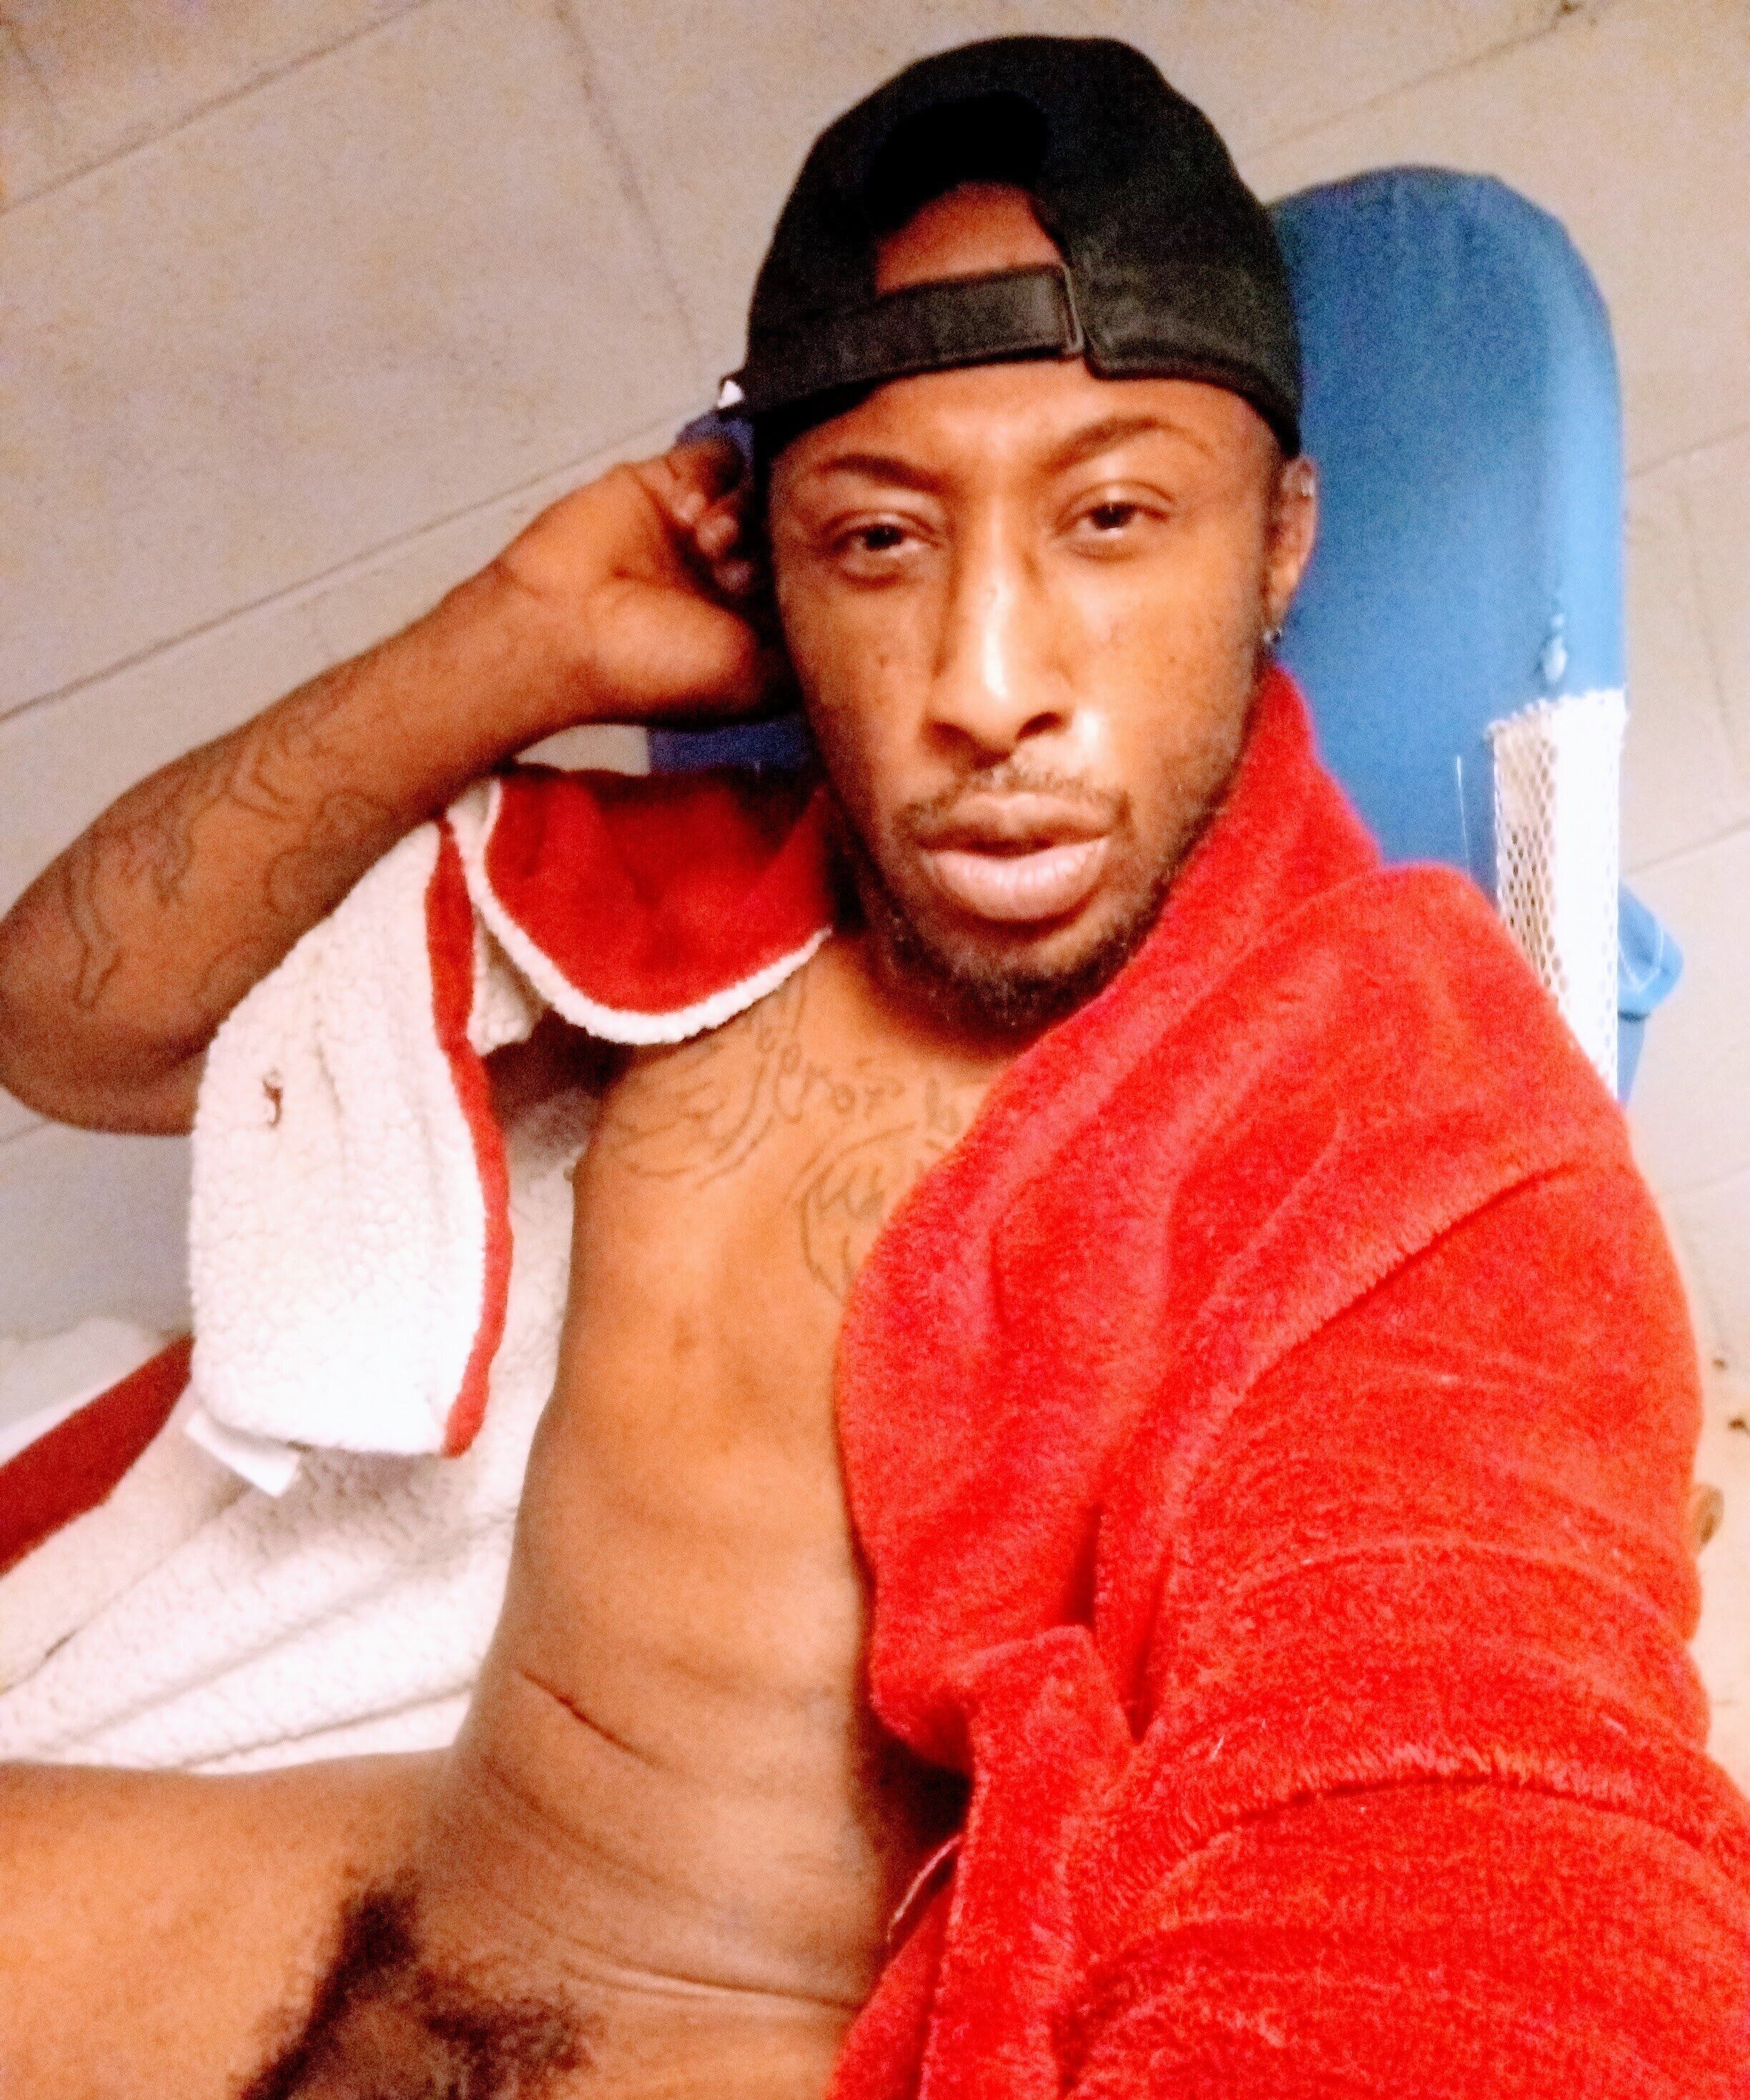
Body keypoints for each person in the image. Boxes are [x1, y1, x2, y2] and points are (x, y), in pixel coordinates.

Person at [0, 35, 1746, 2100]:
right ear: (776, 571)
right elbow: (68, 1016)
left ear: (1279, 542)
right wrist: (514, 639)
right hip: (385, 1878)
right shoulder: (691, 911)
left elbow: (1461, 1845)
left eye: (1112, 519)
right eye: (882, 543)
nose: (988, 686)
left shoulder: (1400, 1093)